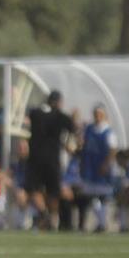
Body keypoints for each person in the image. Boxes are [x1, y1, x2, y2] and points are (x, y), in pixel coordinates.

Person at [25, 90, 76, 230]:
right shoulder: (61, 116)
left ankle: (43, 213)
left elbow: (28, 119)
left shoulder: (35, 113)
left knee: (33, 188)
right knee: (53, 190)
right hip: (53, 159)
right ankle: (53, 218)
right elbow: (73, 128)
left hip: (35, 158)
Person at [78, 104, 118, 232]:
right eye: (96, 114)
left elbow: (112, 150)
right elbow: (83, 145)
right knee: (91, 196)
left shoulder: (108, 131)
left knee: (102, 196)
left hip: (101, 168)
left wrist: (106, 164)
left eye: (100, 114)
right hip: (90, 167)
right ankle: (101, 223)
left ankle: (102, 223)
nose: (97, 117)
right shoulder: (89, 129)